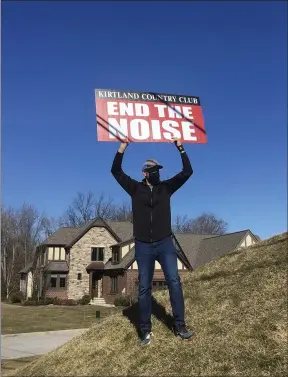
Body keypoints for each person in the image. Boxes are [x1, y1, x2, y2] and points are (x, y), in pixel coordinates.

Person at [111, 136, 195, 345]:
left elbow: (187, 172)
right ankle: (145, 331)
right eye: (154, 170)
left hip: (165, 242)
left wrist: (180, 147)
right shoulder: (135, 189)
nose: (158, 173)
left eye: (159, 169)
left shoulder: (166, 188)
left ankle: (180, 325)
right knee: (144, 287)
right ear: (145, 173)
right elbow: (116, 172)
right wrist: (123, 147)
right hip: (143, 245)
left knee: (174, 281)